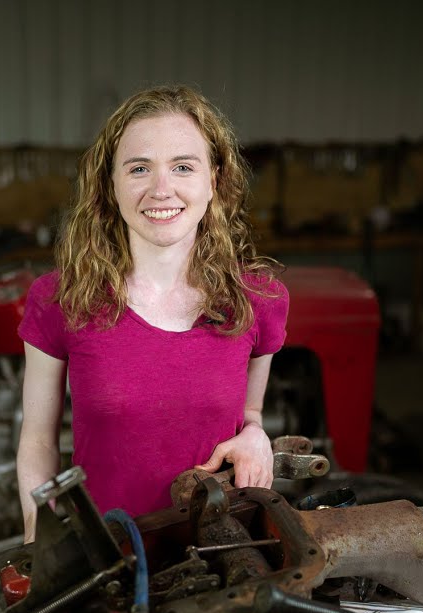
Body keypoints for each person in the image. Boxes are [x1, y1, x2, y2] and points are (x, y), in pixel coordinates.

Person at [15, 84, 289, 542]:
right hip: (110, 560)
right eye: (139, 168)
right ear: (111, 183)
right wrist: (36, 540)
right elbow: (39, 442)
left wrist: (257, 433)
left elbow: (251, 413)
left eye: (183, 166)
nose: (162, 190)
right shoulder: (60, 299)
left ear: (213, 180)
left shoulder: (258, 298)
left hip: (225, 554)